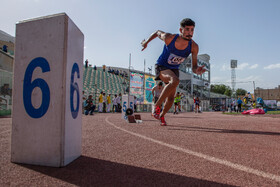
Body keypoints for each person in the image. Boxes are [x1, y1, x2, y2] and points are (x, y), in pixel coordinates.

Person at [141, 18, 206, 126]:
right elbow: (157, 32)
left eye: (192, 30)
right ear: (181, 30)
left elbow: (194, 67)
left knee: (171, 98)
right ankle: (156, 106)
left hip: (174, 69)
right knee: (175, 80)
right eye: (187, 30)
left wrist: (197, 70)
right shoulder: (169, 38)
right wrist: (146, 42)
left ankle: (161, 116)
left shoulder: (194, 46)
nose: (190, 33)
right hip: (162, 66)